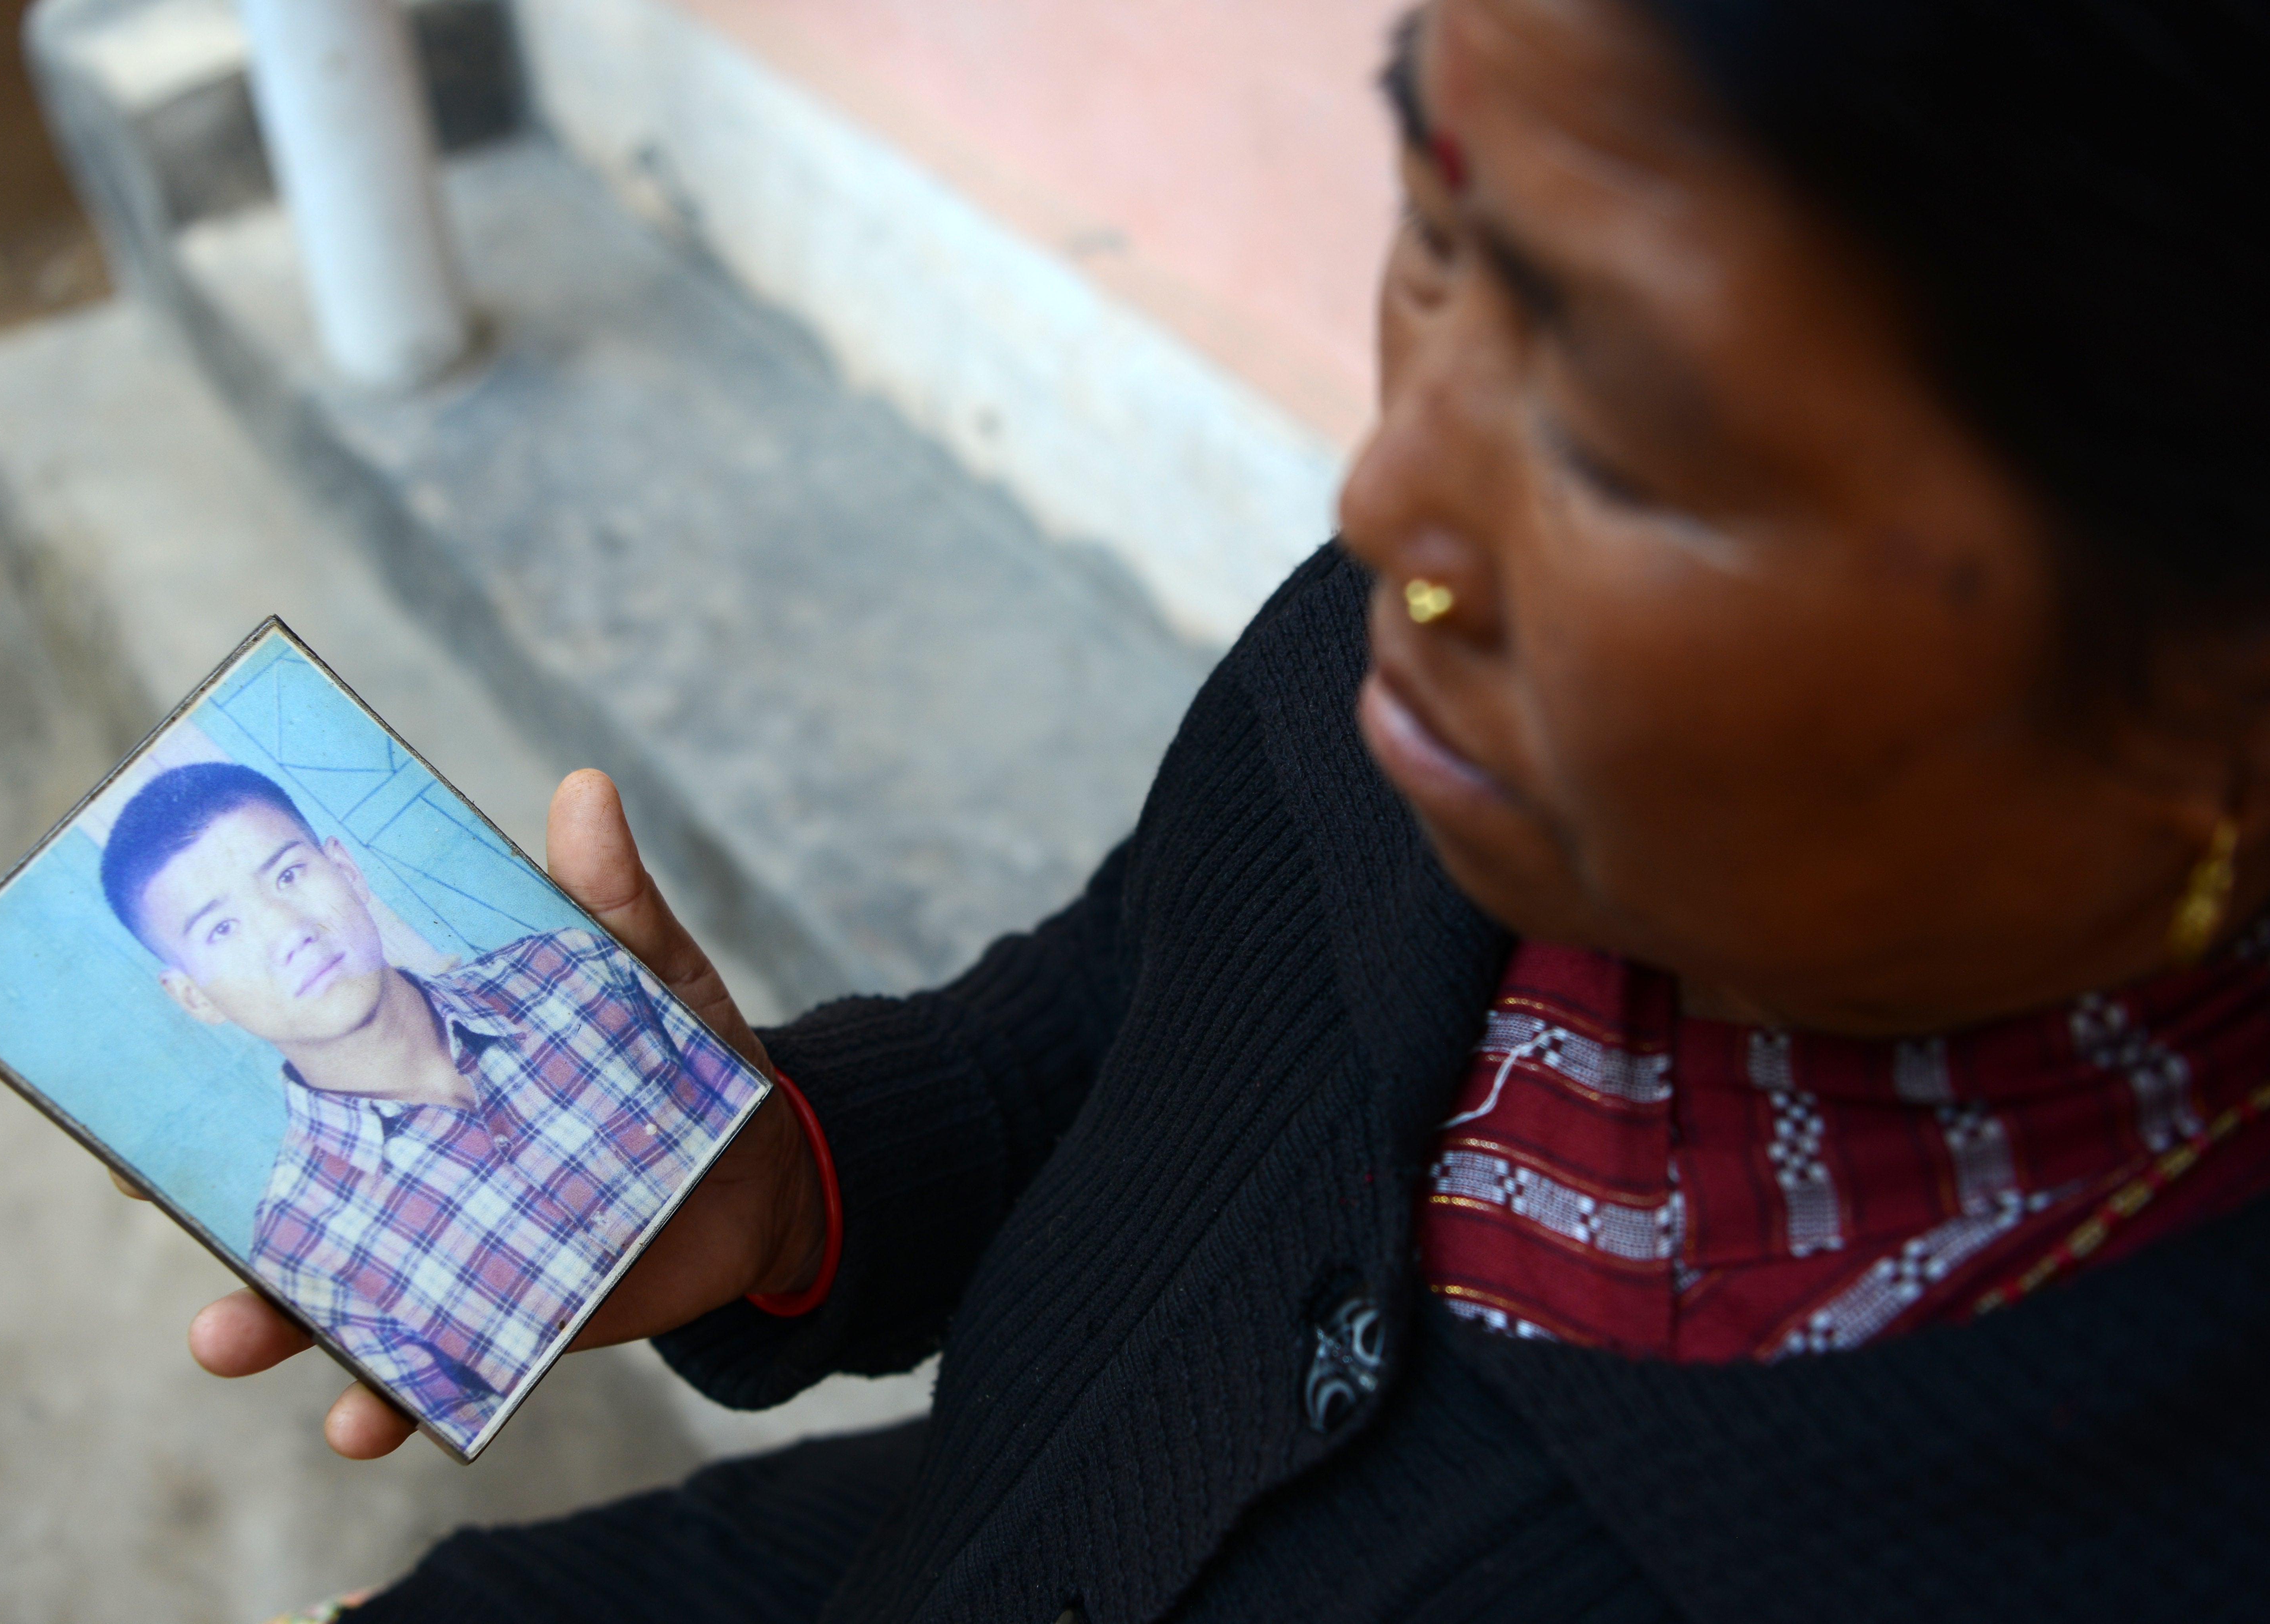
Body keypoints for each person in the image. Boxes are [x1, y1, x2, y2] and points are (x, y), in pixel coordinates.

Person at [188, 0, 2270, 1615]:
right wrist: (782, 1186)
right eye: (1440, 236)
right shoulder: (1424, 703)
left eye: (1630, 442)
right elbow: (1110, 1029)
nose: (1385, 498)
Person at [100, 762, 763, 1444]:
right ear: (194, 996)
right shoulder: (308, 1255)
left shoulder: (573, 969)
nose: (286, 930)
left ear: (346, 871)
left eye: (289, 876)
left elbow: (752, 1131)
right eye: (222, 931)